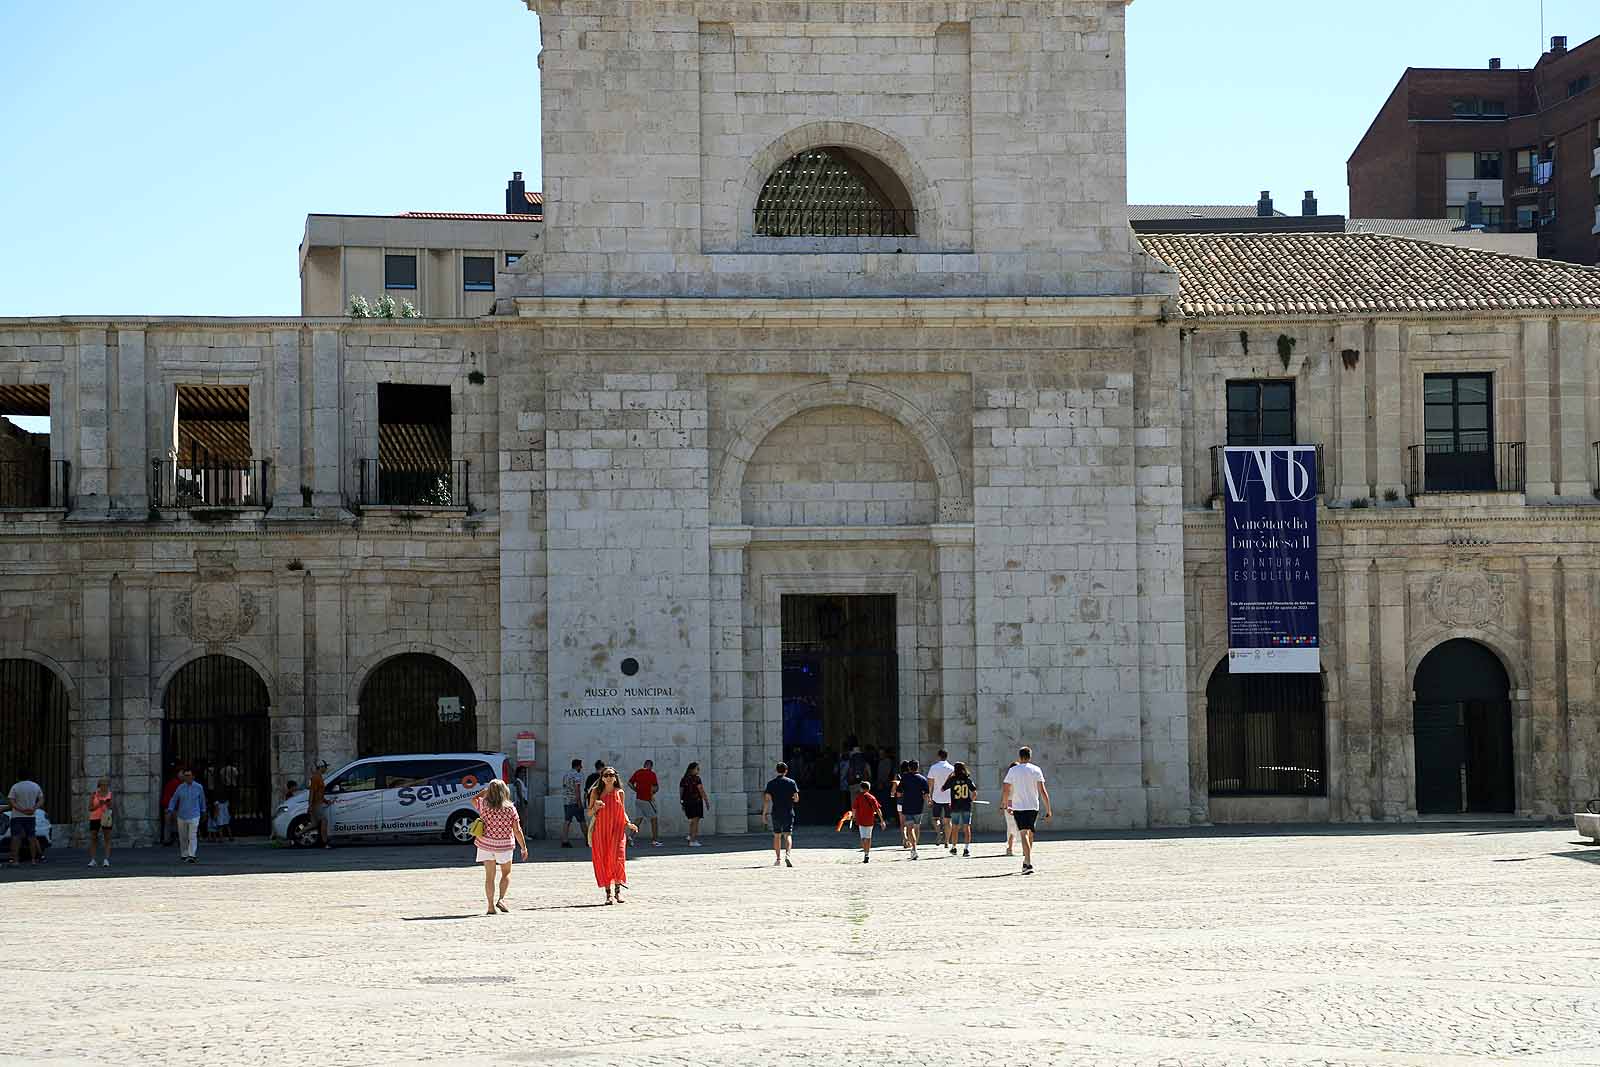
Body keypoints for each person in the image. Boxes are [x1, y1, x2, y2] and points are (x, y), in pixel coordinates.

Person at [472, 779, 529, 915]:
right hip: (504, 846)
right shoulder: (510, 808)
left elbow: (474, 799)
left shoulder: (484, 805)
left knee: (489, 877)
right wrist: (523, 847)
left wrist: (484, 792)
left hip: (486, 844)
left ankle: (490, 907)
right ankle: (501, 899)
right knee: (506, 873)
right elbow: (517, 830)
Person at [588, 767, 637, 904]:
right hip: (601, 831)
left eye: (612, 775)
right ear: (602, 777)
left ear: (615, 777)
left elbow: (622, 811)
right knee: (603, 860)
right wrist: (596, 808)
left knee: (618, 859)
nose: (609, 777)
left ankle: (618, 892)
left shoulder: (620, 792)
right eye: (606, 775)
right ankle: (608, 894)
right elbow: (589, 813)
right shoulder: (595, 792)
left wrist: (629, 823)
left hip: (617, 830)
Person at [1000, 746, 1052, 875]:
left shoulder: (1013, 770)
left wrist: (1005, 803)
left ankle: (1028, 862)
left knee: (1023, 833)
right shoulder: (1036, 770)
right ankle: (1026, 860)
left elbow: (1006, 789)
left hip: (1019, 806)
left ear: (1019, 756)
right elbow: (1043, 791)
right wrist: (1048, 809)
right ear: (1030, 756)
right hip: (1033, 806)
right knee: (1029, 832)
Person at [761, 762, 800, 868]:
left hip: (776, 812)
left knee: (777, 835)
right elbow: (796, 798)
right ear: (786, 771)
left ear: (776, 771)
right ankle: (788, 855)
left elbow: (767, 800)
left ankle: (778, 859)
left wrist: (764, 814)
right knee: (788, 834)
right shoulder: (791, 782)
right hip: (788, 811)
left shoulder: (771, 784)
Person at [167, 768, 207, 864]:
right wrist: (170, 810)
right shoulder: (180, 787)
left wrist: (204, 811)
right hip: (182, 815)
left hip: (194, 815)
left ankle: (192, 855)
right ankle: (184, 854)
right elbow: (174, 799)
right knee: (183, 836)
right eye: (185, 775)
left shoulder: (199, 787)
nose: (187, 777)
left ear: (193, 776)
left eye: (189, 775)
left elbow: (202, 800)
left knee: (192, 836)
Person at [6, 773, 44, 866]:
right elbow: (41, 800)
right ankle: (33, 860)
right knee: (31, 837)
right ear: (29, 776)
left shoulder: (15, 787)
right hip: (31, 816)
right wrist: (34, 808)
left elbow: (11, 801)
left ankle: (15, 860)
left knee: (16, 837)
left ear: (17, 777)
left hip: (17, 816)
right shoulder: (35, 786)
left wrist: (21, 809)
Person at [843, 780, 884, 863]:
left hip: (860, 820)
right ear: (869, 788)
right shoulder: (872, 797)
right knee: (868, 838)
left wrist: (853, 817)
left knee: (863, 837)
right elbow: (878, 809)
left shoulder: (858, 797)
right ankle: (867, 854)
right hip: (869, 820)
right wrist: (882, 820)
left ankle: (865, 852)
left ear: (861, 788)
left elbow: (854, 809)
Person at [898, 760, 929, 859]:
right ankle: (915, 847)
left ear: (909, 768)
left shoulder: (905, 778)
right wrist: (928, 801)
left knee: (909, 828)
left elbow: (898, 793)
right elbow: (926, 794)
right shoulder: (923, 779)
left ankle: (914, 849)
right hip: (918, 806)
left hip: (907, 806)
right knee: (917, 827)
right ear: (918, 767)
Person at [627, 760, 662, 847]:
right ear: (651, 766)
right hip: (647, 800)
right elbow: (656, 787)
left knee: (638, 819)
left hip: (638, 799)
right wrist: (653, 792)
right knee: (654, 819)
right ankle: (655, 840)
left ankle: (630, 837)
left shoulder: (638, 772)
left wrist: (636, 790)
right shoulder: (652, 774)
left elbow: (629, 783)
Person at [927, 749, 956, 851]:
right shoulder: (952, 768)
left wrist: (929, 797)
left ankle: (939, 832)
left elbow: (930, 784)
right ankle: (947, 842)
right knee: (948, 821)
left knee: (935, 818)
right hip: (949, 798)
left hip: (937, 797)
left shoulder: (934, 768)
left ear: (938, 756)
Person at [946, 761, 977, 857]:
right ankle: (966, 849)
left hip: (955, 806)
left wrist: (949, 777)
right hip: (966, 806)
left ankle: (954, 847)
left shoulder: (952, 780)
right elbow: (975, 792)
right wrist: (971, 800)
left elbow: (943, 788)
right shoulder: (967, 779)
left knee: (955, 827)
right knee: (966, 827)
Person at [558, 758, 585, 848]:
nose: (581, 767)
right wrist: (579, 802)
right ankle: (589, 840)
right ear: (577, 766)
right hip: (574, 801)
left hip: (566, 801)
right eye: (580, 765)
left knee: (567, 821)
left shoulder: (566, 775)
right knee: (582, 821)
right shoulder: (576, 775)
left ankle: (564, 840)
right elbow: (577, 790)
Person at [679, 762, 708, 846]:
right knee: (695, 821)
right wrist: (706, 800)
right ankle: (693, 840)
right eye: (697, 769)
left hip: (687, 802)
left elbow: (681, 791)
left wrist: (681, 802)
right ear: (692, 770)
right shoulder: (697, 779)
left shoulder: (684, 779)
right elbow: (701, 790)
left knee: (692, 820)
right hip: (696, 801)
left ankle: (690, 836)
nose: (698, 770)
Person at [87, 777, 114, 868]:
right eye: (102, 785)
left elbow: (112, 807)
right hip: (94, 817)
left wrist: (107, 803)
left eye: (106, 785)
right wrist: (99, 804)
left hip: (106, 817)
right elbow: (90, 808)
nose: (104, 786)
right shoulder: (94, 794)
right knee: (93, 838)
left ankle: (106, 859)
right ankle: (93, 860)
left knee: (107, 838)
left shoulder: (110, 794)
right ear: (99, 786)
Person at [309, 760, 332, 849]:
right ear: (321, 767)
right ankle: (325, 842)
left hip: (319, 803)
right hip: (316, 804)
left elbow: (320, 793)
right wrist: (310, 805)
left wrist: (326, 801)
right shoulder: (316, 778)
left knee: (314, 824)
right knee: (324, 821)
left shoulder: (319, 777)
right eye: (325, 767)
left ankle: (296, 835)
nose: (326, 769)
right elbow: (312, 792)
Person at [159, 765, 182, 846]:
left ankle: (167, 840)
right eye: (181, 773)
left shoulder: (170, 783)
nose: (182, 775)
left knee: (168, 825)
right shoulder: (179, 784)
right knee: (177, 825)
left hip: (167, 806)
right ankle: (178, 840)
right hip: (175, 807)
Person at [1001, 761, 1019, 856]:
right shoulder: (1019, 779)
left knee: (1011, 826)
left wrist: (1004, 804)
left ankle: (1010, 848)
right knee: (1017, 827)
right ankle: (1011, 848)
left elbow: (1005, 792)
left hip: (1010, 804)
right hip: (1017, 804)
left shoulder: (1009, 778)